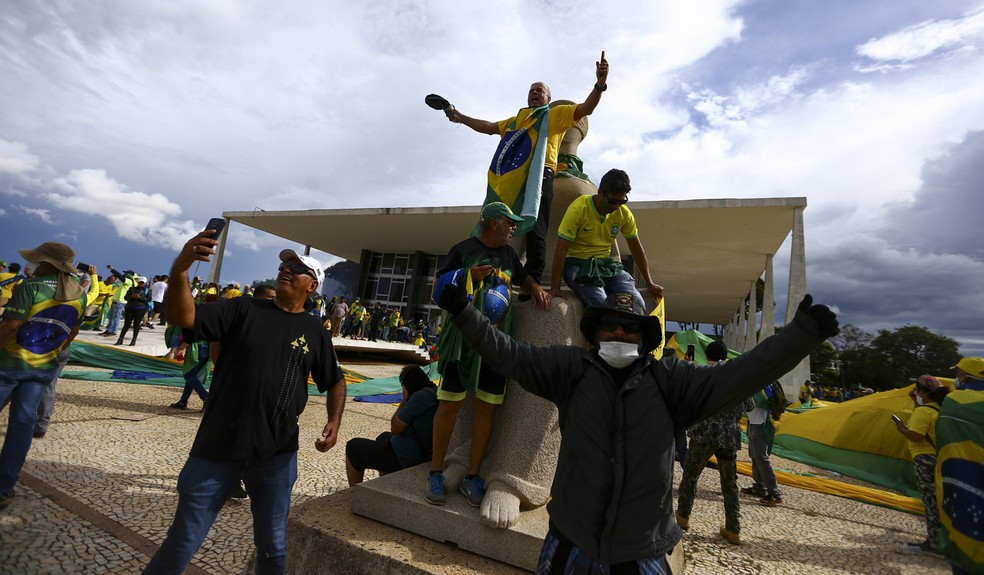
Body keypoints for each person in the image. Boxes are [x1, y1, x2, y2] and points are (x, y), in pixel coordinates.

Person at [432, 283, 838, 571]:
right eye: (611, 325)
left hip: (642, 550)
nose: (620, 332)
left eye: (630, 326)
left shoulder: (672, 382)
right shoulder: (570, 370)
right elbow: (510, 355)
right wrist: (465, 314)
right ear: (595, 333)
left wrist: (801, 336)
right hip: (569, 540)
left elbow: (742, 375)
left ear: (645, 337)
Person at [142, 233, 346, 575]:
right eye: (284, 264)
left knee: (273, 548)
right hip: (217, 447)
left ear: (312, 286)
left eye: (296, 267)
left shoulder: (315, 331)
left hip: (276, 456)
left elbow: (335, 380)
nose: (286, 269)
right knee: (182, 540)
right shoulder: (243, 309)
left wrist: (334, 421)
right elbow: (185, 317)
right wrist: (180, 269)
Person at [443, 52, 609, 283]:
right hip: (513, 180)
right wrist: (460, 117)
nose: (534, 93)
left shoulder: (553, 116)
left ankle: (532, 279)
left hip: (540, 176)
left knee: (536, 229)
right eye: (531, 90)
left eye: (540, 91)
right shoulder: (516, 121)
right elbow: (489, 126)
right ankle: (490, 269)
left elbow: (585, 109)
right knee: (502, 225)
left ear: (548, 100)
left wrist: (600, 85)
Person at [426, 202, 550, 508]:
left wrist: (534, 288)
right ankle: (435, 472)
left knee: (487, 409)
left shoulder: (508, 255)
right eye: (509, 223)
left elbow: (522, 277)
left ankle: (472, 477)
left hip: (496, 342)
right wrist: (466, 274)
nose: (513, 229)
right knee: (448, 407)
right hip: (462, 340)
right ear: (493, 221)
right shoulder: (463, 249)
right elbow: (437, 289)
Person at [0, 242, 89, 509]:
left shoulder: (30, 287)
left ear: (47, 263)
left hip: (10, 364)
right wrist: (52, 351)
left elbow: (11, 325)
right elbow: (72, 332)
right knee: (22, 425)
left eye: (38, 261)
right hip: (43, 368)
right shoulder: (79, 293)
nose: (34, 265)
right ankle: (4, 486)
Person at [550, 169, 663, 311]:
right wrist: (555, 288)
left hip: (604, 265)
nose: (616, 207)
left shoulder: (623, 214)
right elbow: (561, 249)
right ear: (600, 192)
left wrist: (649, 283)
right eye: (612, 201)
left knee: (636, 303)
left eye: (622, 201)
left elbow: (637, 249)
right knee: (603, 305)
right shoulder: (579, 208)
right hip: (578, 265)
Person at [675, 341, 753, 545]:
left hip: (704, 433)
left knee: (691, 476)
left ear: (707, 355)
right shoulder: (740, 378)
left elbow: (688, 398)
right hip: (729, 435)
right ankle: (733, 529)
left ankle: (682, 518)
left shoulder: (703, 374)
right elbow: (750, 406)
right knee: (730, 483)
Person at [345, 365, 438, 486]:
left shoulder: (419, 398)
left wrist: (404, 399)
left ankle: (352, 494)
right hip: (422, 451)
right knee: (383, 437)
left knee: (353, 447)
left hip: (405, 458)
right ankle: (387, 485)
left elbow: (395, 427)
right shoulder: (433, 392)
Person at [935, 357, 984, 574]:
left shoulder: (955, 401)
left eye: (958, 373)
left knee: (965, 538)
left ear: (965, 376)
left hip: (966, 478)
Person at [894, 375, 949, 555]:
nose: (915, 393)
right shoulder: (938, 409)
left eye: (917, 390)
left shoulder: (923, 412)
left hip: (925, 459)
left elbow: (916, 435)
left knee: (931, 502)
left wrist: (901, 429)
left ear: (923, 392)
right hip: (939, 458)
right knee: (940, 501)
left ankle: (934, 545)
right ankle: (943, 541)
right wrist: (915, 400)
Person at [742, 382, 784, 506]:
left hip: (761, 424)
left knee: (761, 458)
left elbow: (758, 402)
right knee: (754, 456)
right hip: (753, 422)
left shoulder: (763, 382)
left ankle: (775, 494)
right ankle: (759, 486)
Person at [116, 276, 151, 346]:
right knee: (126, 324)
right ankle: (120, 339)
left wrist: (140, 297)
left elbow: (148, 299)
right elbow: (125, 298)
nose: (141, 284)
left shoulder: (147, 291)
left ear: (145, 283)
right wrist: (132, 296)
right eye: (140, 282)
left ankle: (134, 340)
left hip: (140, 309)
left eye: (142, 283)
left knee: (136, 324)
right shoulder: (132, 289)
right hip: (130, 308)